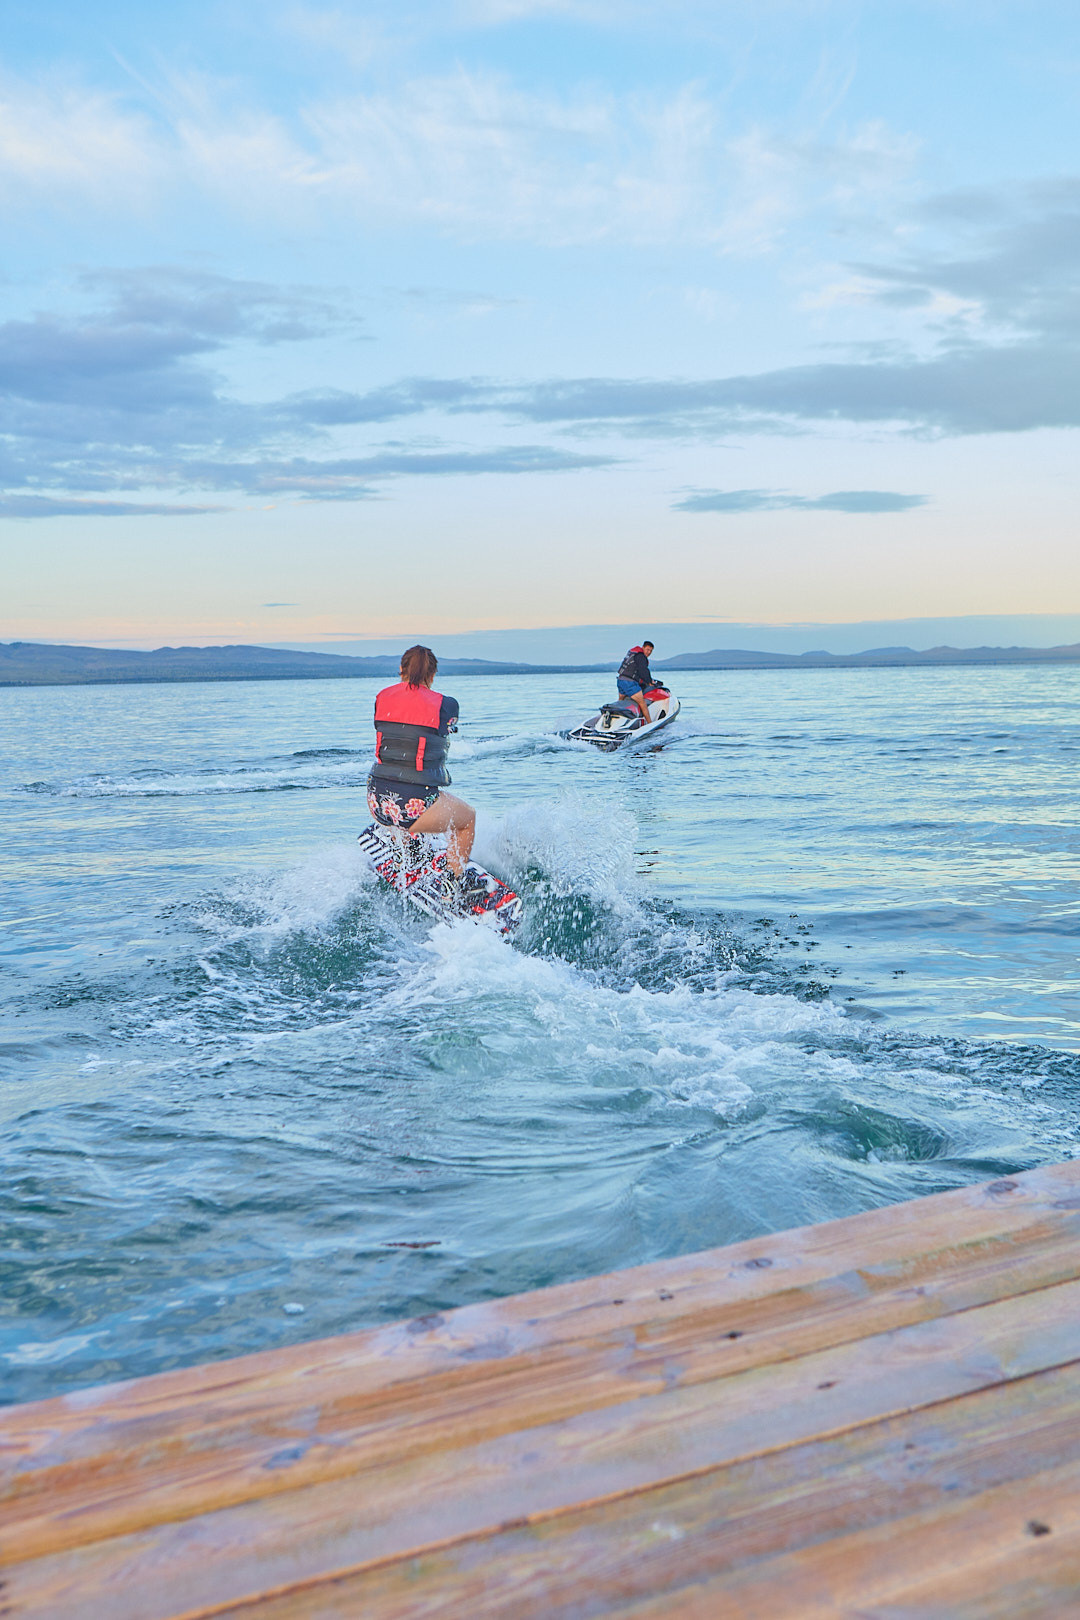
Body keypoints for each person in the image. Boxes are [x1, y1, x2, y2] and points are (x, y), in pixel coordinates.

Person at [367, 645, 476, 876]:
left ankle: (406, 847)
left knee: (403, 782)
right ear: (433, 675)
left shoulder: (381, 698)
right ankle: (453, 884)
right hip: (413, 806)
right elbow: (448, 728)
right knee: (466, 820)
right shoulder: (446, 705)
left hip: (376, 801)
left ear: (400, 669)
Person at [616, 639, 657, 727]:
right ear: (643, 648)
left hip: (620, 680)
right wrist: (649, 681)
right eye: (647, 649)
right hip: (629, 683)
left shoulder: (633, 654)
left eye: (651, 651)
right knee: (642, 703)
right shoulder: (641, 656)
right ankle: (650, 724)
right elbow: (643, 671)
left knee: (620, 702)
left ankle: (617, 722)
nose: (649, 652)